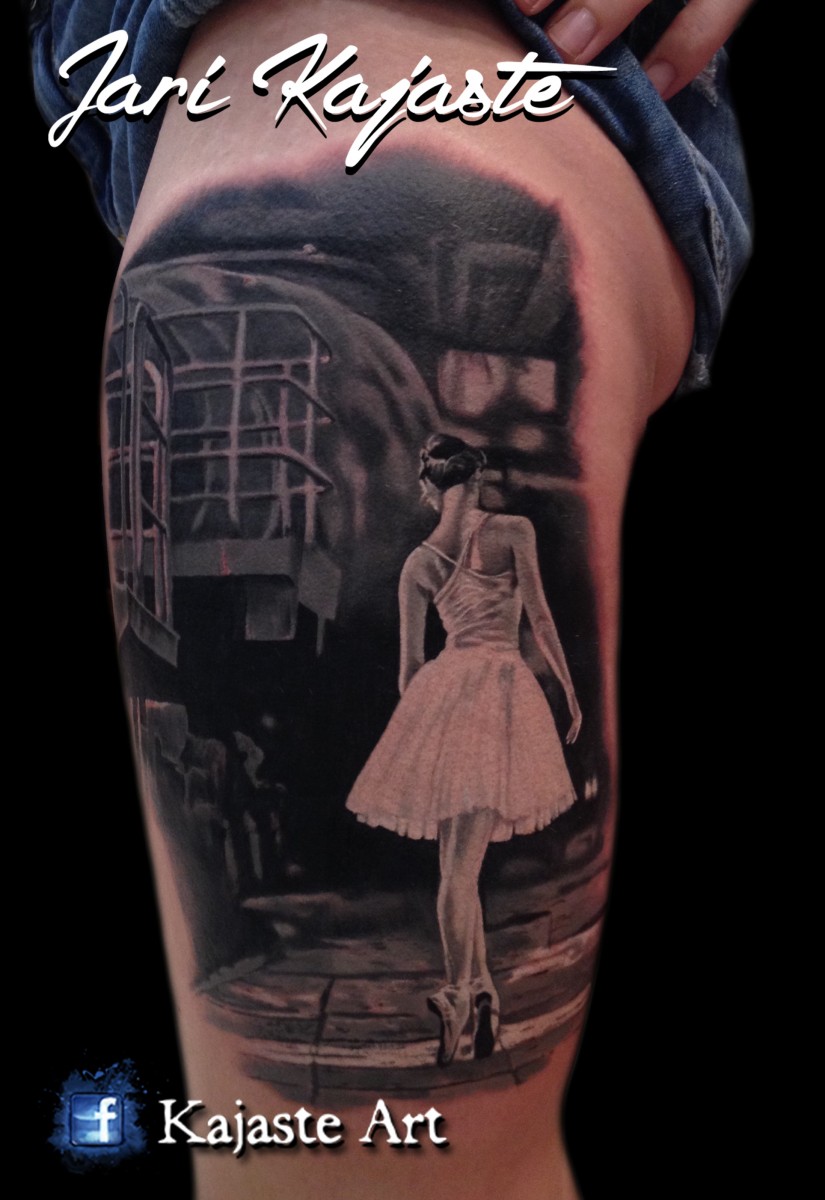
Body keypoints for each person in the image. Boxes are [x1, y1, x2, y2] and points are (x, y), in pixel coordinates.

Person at [347, 433, 582, 1065]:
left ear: (430, 489)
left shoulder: (418, 565)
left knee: (457, 870)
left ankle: (471, 995)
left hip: (449, 693)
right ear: (476, 482)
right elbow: (540, 618)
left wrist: (432, 720)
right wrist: (567, 690)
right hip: (501, 694)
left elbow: (409, 673)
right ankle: (469, 994)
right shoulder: (513, 531)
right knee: (461, 871)